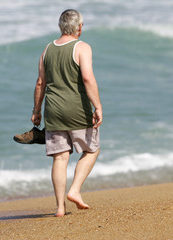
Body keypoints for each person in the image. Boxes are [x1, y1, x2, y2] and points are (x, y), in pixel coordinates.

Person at [31, 9, 103, 217]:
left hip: (52, 111)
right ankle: (75, 190)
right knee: (92, 149)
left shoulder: (47, 49)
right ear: (79, 27)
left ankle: (60, 208)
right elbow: (88, 78)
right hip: (77, 109)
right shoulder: (82, 47)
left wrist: (36, 111)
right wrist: (97, 106)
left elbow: (40, 83)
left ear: (61, 26)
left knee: (60, 158)